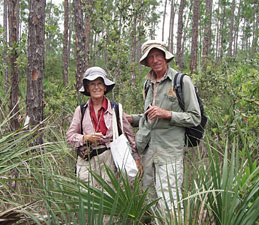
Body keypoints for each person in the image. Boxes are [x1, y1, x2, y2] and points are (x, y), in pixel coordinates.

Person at [126, 40, 201, 220]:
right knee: (149, 198)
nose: (155, 60)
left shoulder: (181, 81)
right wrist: (132, 119)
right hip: (148, 151)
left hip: (169, 151)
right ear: (147, 62)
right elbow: (149, 117)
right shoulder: (148, 84)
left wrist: (168, 114)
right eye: (151, 57)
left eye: (158, 55)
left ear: (165, 57)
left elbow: (194, 117)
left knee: (169, 200)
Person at [66, 66, 142, 189]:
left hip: (110, 159)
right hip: (87, 160)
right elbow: (70, 137)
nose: (96, 87)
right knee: (87, 198)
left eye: (100, 83)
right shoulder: (81, 110)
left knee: (108, 196)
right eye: (92, 84)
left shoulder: (116, 109)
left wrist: (136, 159)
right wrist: (86, 138)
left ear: (105, 86)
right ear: (87, 88)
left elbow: (129, 136)